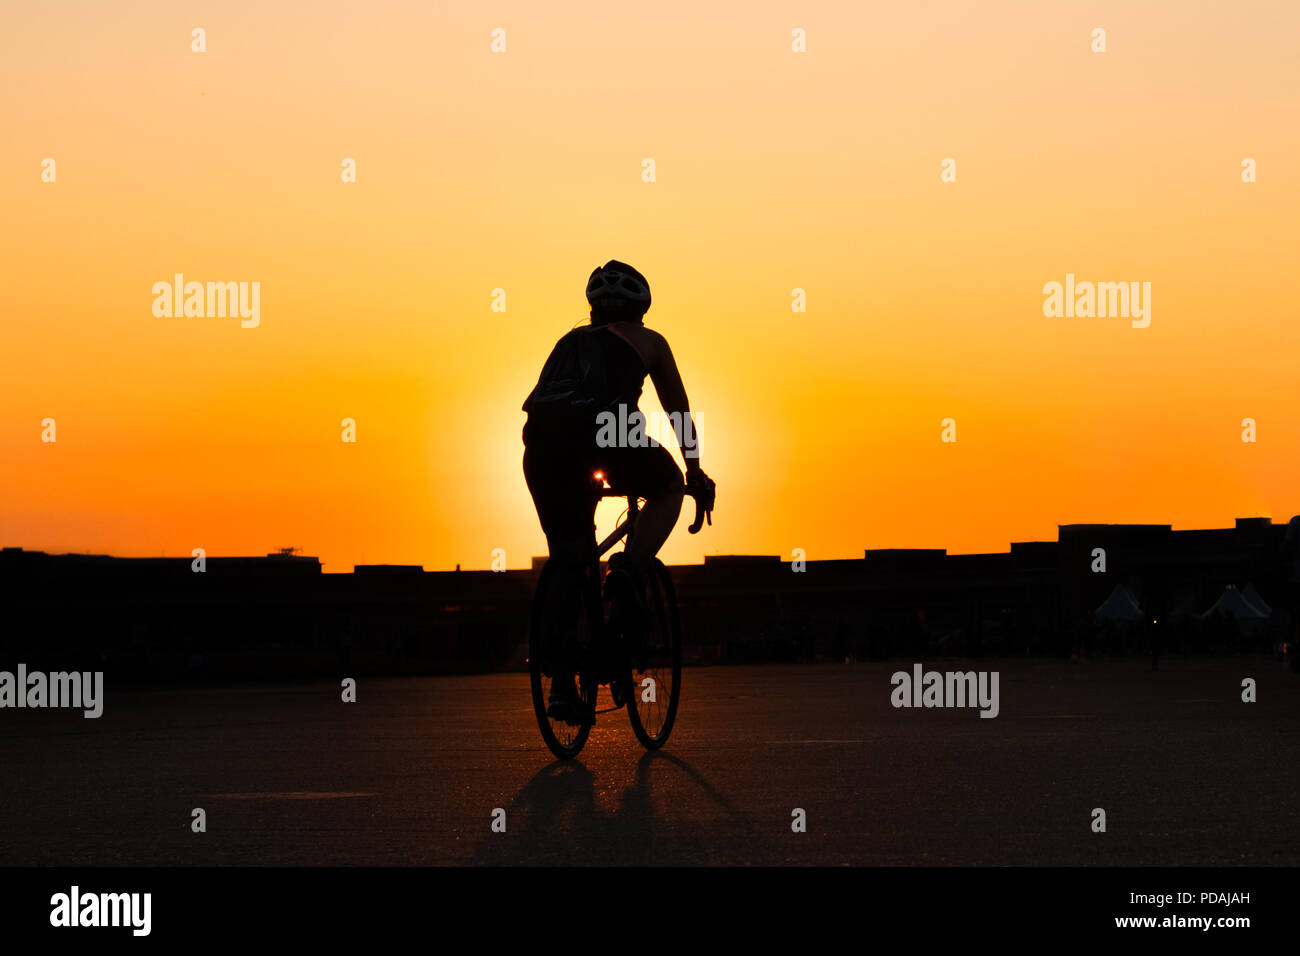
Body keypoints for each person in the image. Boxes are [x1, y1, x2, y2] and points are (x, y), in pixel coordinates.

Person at [521, 260, 715, 723]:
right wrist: (695, 472)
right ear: (641, 308)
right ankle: (629, 570)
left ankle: (563, 689)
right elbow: (678, 410)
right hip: (611, 438)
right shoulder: (649, 341)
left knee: (570, 559)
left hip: (543, 449)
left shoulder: (568, 342)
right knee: (669, 486)